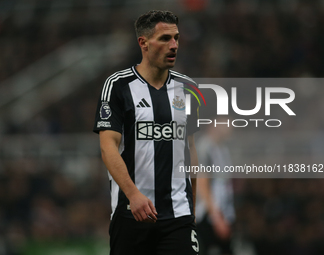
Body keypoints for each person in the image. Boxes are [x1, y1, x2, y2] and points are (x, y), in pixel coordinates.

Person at [93, 10, 200, 255]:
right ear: (143, 43)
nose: (174, 45)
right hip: (131, 213)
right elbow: (107, 147)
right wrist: (133, 195)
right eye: (165, 39)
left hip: (178, 215)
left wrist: (191, 205)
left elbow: (190, 149)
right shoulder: (117, 86)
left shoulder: (188, 88)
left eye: (176, 38)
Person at [195, 121, 236, 255]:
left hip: (222, 213)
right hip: (207, 216)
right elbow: (202, 183)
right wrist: (216, 216)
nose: (231, 125)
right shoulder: (205, 146)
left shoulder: (221, 148)